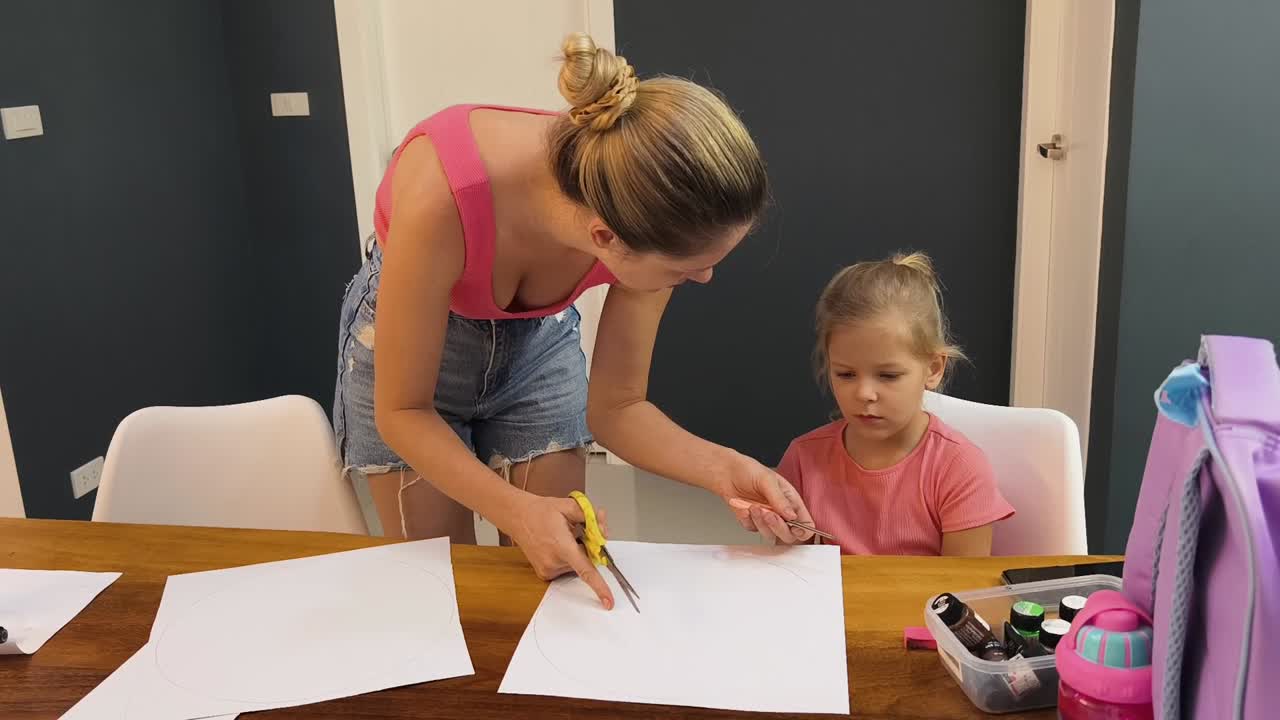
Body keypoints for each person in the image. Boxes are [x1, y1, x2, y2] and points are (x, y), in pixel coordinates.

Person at [333, 33, 814, 610]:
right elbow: (404, 411)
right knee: (444, 587)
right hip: (411, 352)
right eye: (689, 270)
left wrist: (728, 470)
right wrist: (514, 509)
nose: (703, 280)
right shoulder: (443, 195)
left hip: (539, 340)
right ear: (604, 239)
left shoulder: (645, 208)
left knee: (558, 578)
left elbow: (619, 410)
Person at [776, 252, 1014, 556]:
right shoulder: (802, 459)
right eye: (846, 374)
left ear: (933, 369)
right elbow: (791, 573)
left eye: (888, 375)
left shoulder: (960, 468)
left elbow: (963, 589)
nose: (864, 393)